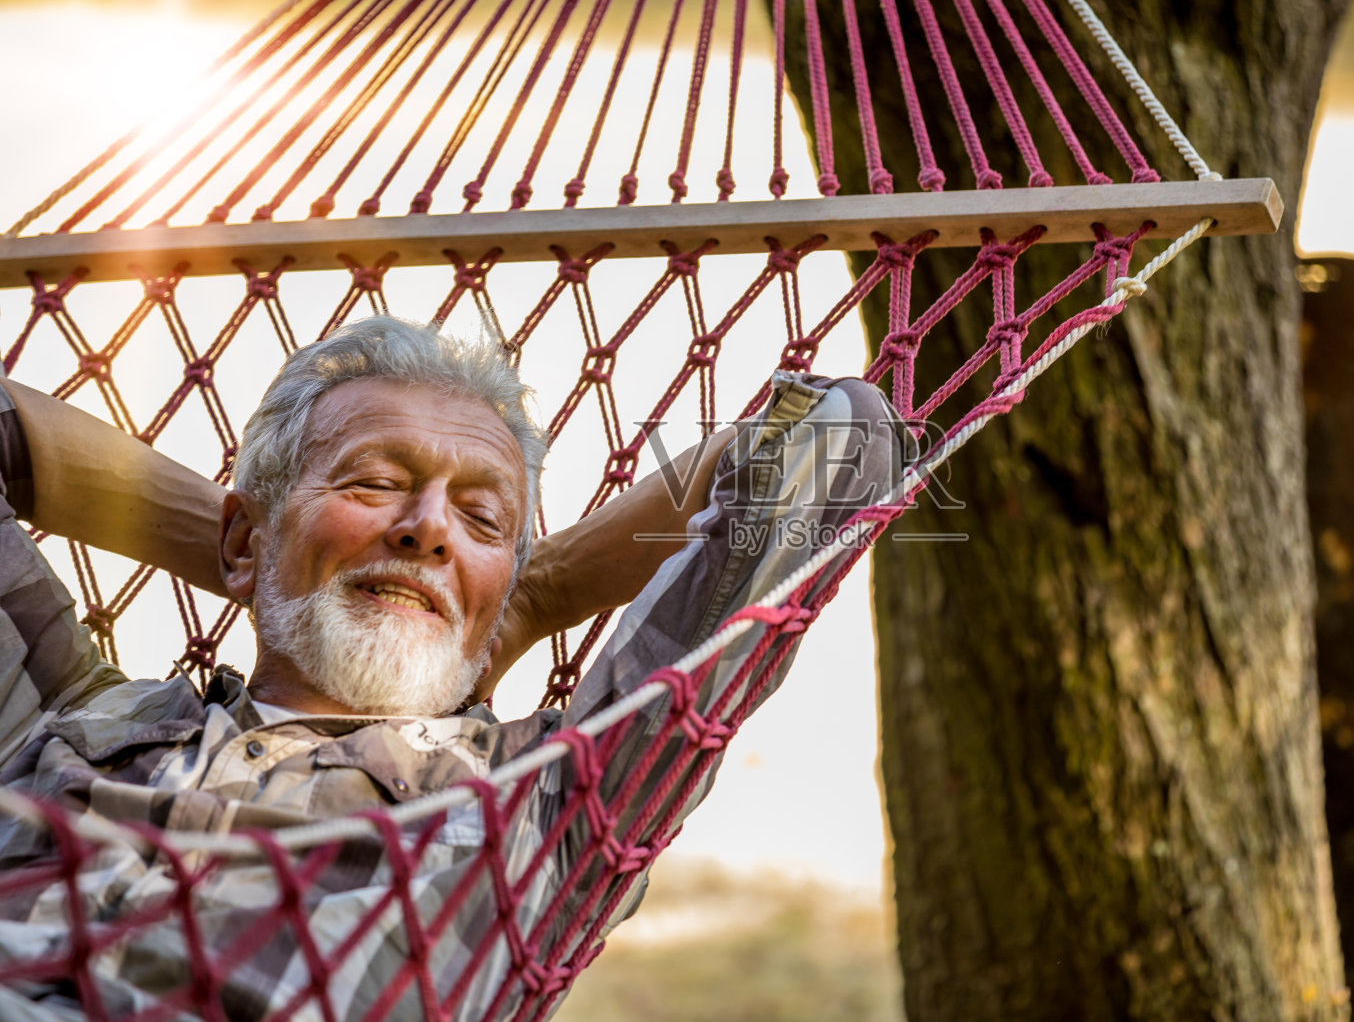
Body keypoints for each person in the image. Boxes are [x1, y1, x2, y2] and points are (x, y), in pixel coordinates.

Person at [0, 316, 910, 1020]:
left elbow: (837, 444)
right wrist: (266, 558)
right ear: (242, 535)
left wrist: (534, 592)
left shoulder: (551, 803)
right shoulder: (64, 712)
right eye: (374, 482)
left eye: (481, 520)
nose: (429, 526)